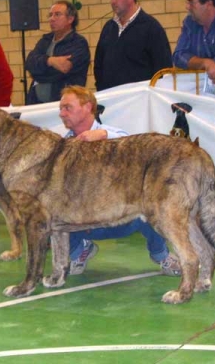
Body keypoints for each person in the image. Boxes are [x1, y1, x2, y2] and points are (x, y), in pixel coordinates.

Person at [57, 86, 181, 276]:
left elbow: (130, 142)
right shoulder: (62, 145)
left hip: (123, 217)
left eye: (67, 108)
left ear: (88, 106)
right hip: (86, 223)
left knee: (149, 201)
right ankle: (80, 251)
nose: (61, 113)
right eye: (61, 108)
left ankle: (161, 255)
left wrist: (104, 135)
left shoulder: (110, 133)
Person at [94, 0, 172, 91]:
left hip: (139, 100)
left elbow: (163, 69)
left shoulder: (151, 27)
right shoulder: (108, 28)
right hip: (111, 98)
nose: (112, 1)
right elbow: (99, 65)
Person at [25, 0, 90, 104]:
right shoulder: (45, 41)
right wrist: (50, 61)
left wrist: (38, 73)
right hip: (37, 104)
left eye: (57, 15)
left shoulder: (78, 43)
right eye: (50, 15)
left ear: (70, 19)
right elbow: (29, 63)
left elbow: (62, 70)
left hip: (64, 104)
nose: (52, 19)